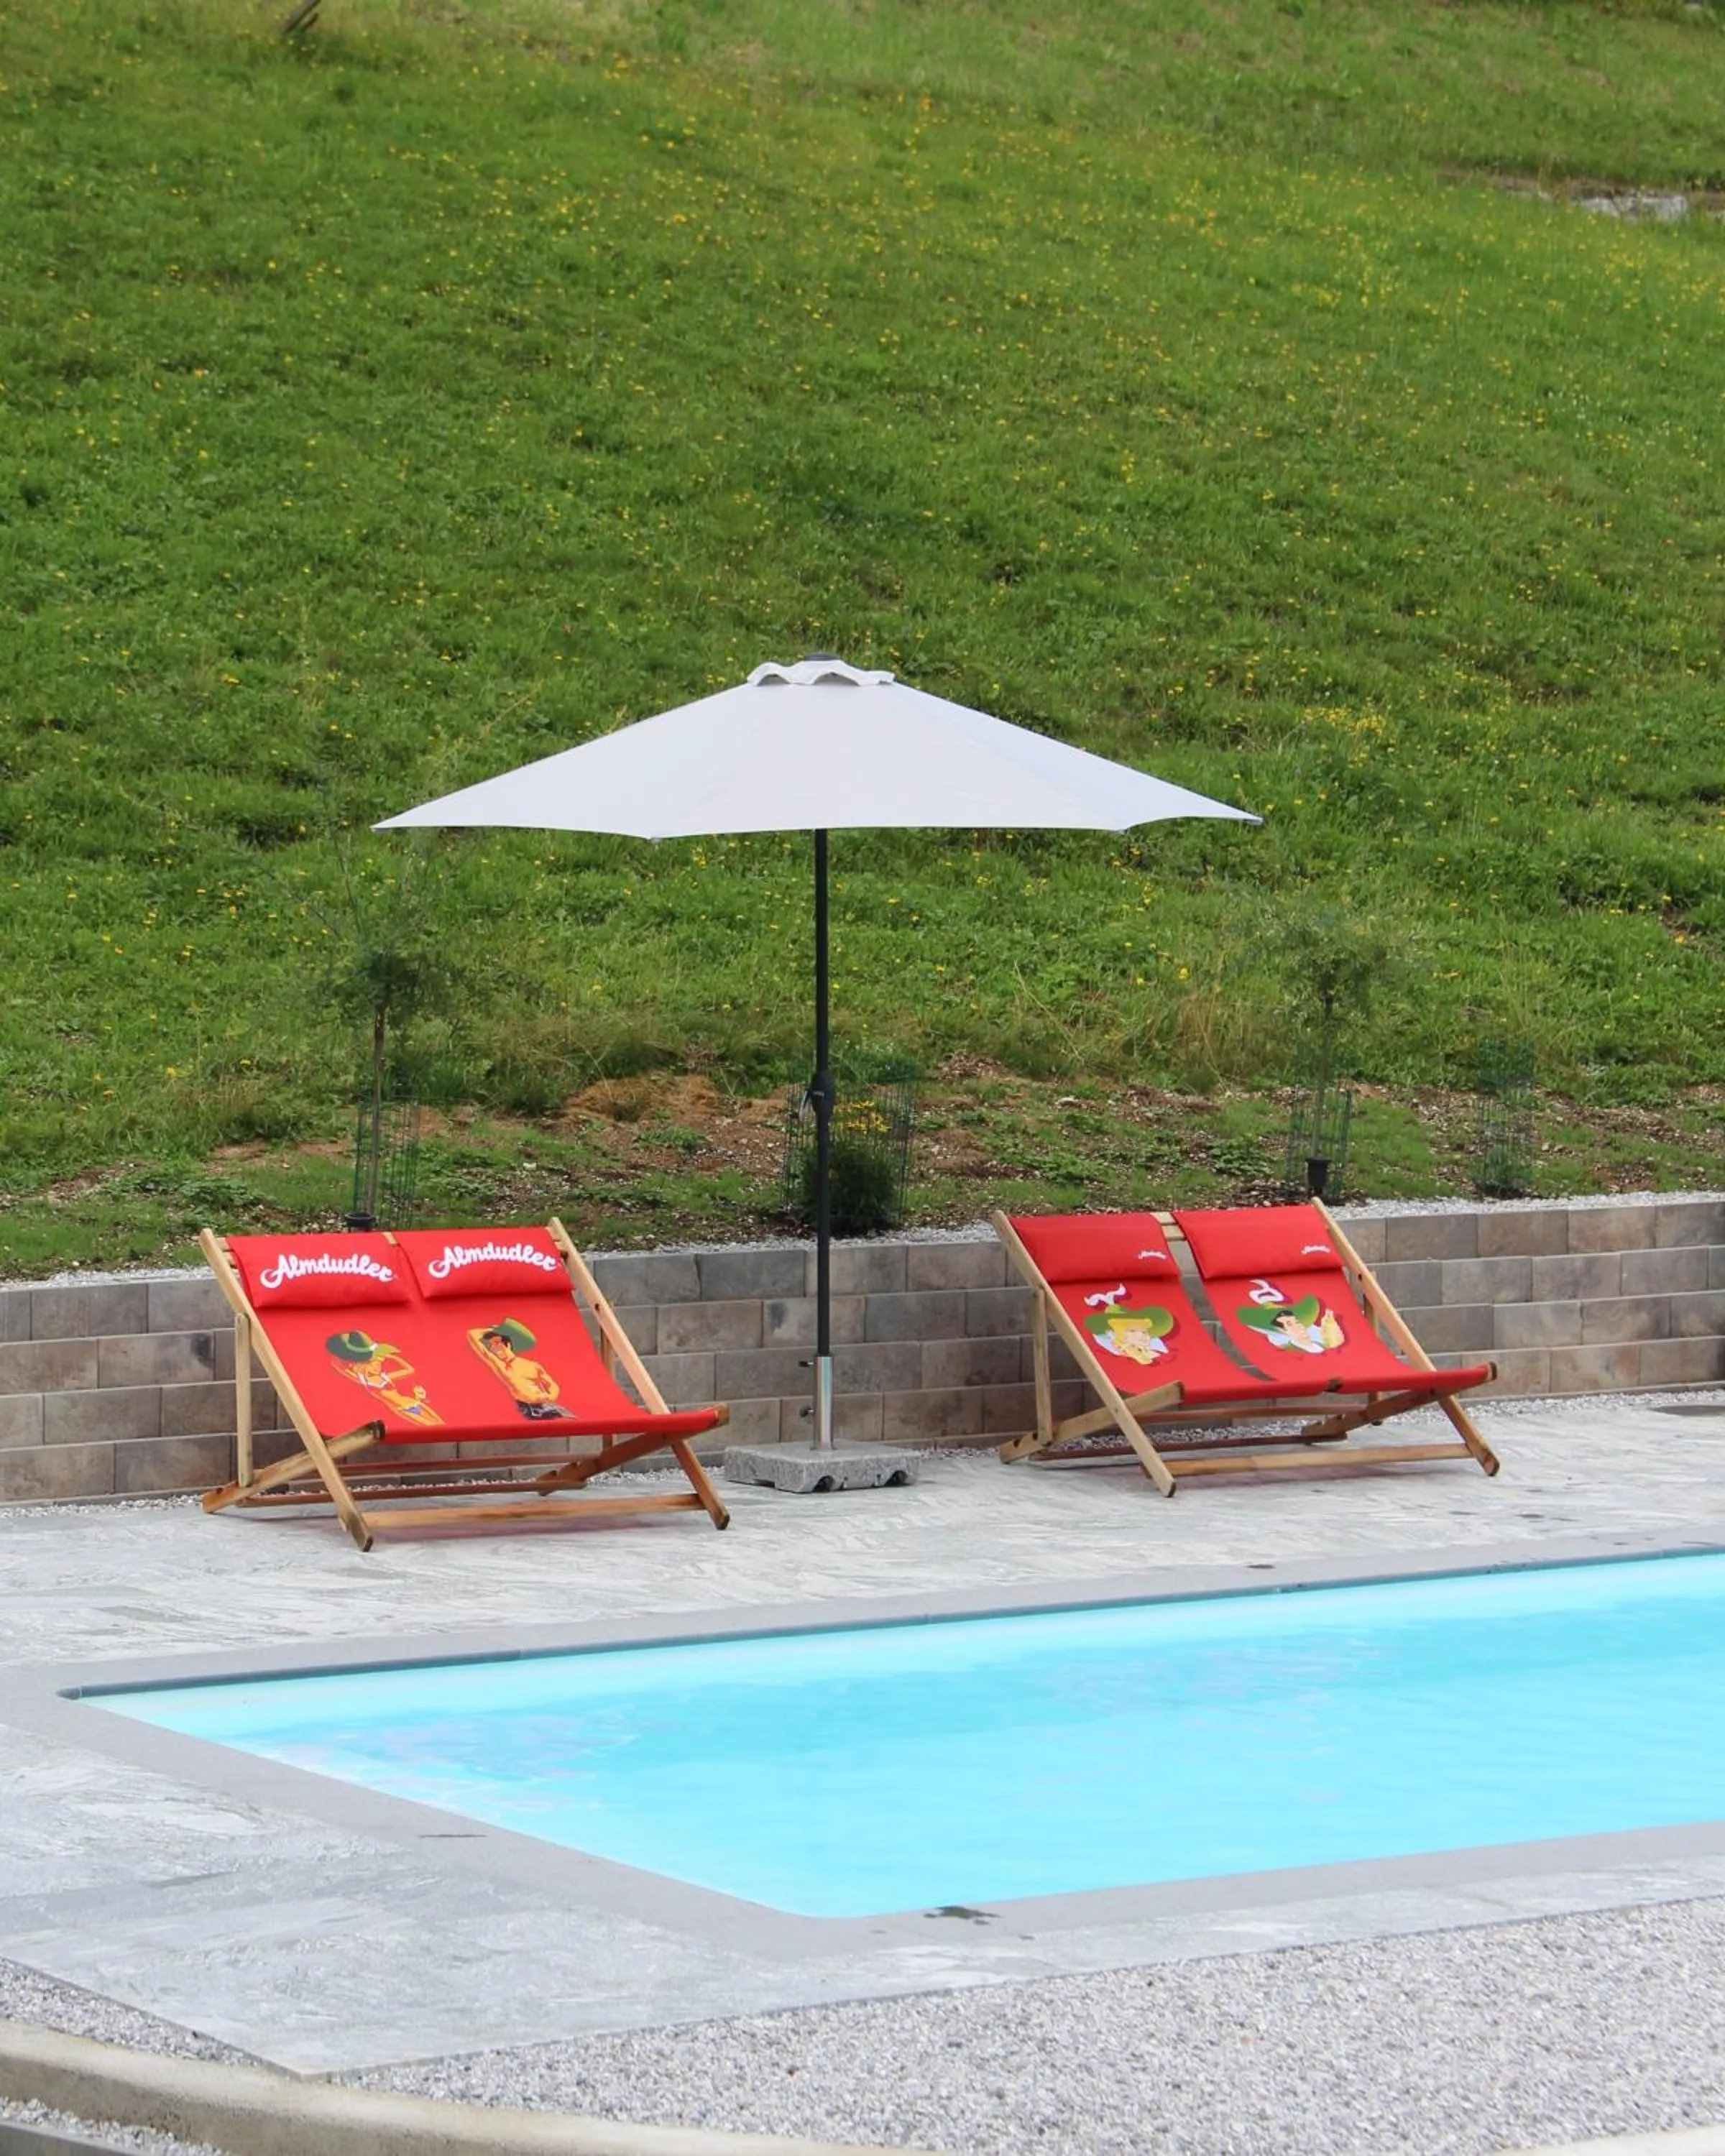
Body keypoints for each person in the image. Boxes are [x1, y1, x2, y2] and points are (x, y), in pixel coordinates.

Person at [324, 1330, 444, 1424]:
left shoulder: (386, 1377)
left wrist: (392, 1357)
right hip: (402, 1409)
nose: (379, 1367)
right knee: (430, 1426)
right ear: (365, 1365)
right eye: (375, 1364)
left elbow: (410, 1370)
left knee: (441, 1425)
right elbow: (337, 1365)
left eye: (380, 1364)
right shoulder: (363, 1380)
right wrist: (346, 1350)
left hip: (414, 1402)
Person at [466, 1317, 571, 1419]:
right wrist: (493, 1330)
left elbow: (552, 1385)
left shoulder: (532, 1365)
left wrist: (549, 1397)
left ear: (508, 1344)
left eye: (497, 1343)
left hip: (548, 1406)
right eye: (490, 1345)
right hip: (529, 1410)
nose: (493, 1347)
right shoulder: (501, 1366)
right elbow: (471, 1334)